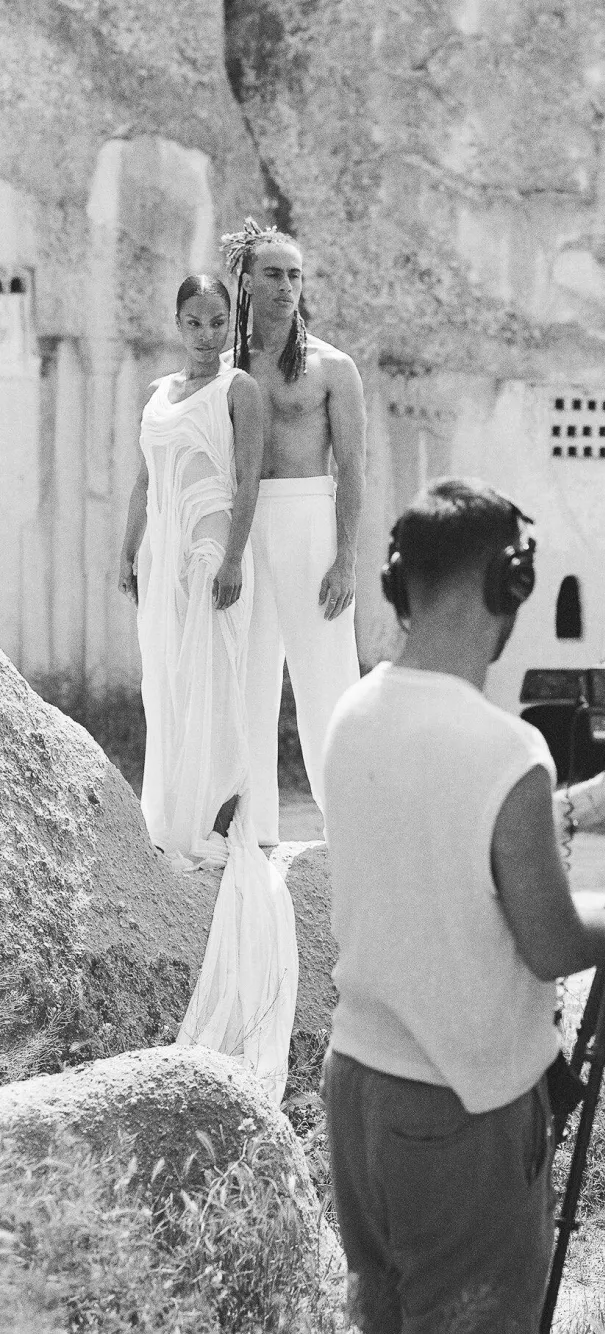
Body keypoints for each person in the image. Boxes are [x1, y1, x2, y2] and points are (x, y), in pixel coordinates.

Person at [321, 478, 605, 1334]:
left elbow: (450, 831)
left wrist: (597, 795)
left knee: (384, 1316)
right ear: (509, 583)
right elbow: (554, 943)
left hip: (359, 1089)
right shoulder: (507, 750)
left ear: (397, 583)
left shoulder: (353, 712)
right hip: (461, 1112)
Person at [118, 274, 297, 1103]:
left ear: (231, 322)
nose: (204, 333)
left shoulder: (239, 390)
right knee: (167, 686)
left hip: (211, 546)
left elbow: (249, 480)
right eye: (192, 320)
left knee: (214, 684)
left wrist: (232, 559)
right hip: (163, 550)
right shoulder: (159, 392)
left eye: (217, 320)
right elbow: (144, 480)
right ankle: (172, 816)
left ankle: (216, 817)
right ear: (176, 322)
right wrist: (128, 548)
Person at [220, 218, 366, 847]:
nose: (285, 286)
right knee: (248, 679)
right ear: (247, 281)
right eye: (274, 274)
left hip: (311, 518)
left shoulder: (334, 367)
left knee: (327, 679)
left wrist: (346, 559)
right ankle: (255, 829)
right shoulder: (226, 368)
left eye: (295, 275)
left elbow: (352, 467)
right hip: (246, 523)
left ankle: (350, 828)